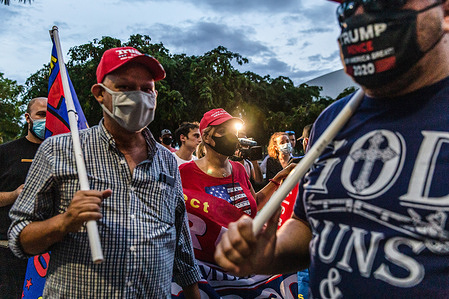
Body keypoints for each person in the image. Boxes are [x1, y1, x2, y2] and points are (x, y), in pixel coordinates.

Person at [215, 0, 449, 298]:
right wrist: (269, 254)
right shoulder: (332, 120)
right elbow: (307, 225)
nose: (361, 15)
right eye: (350, 5)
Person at [8, 46, 201, 298]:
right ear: (100, 94)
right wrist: (65, 221)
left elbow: (180, 243)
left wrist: (193, 292)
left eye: (147, 89)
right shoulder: (58, 151)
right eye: (125, 88)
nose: (138, 97)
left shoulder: (167, 160)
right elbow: (20, 238)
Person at [175, 108, 297, 297]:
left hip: (248, 265)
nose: (232, 136)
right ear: (207, 137)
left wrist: (278, 179)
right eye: (224, 131)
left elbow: (252, 204)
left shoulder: (239, 169)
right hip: (211, 274)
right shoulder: (184, 173)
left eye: (234, 130)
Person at [0, 97, 47, 299]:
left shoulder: (64, 154)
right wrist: (14, 195)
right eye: (40, 115)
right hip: (7, 251)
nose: (45, 120)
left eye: (50, 115)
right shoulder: (6, 152)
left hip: (48, 253)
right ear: (28, 118)